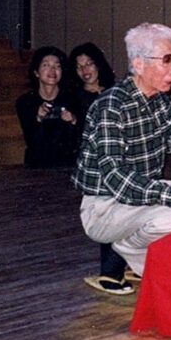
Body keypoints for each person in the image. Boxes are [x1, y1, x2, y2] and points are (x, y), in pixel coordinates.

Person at [71, 23, 171, 295]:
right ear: (138, 64)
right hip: (104, 207)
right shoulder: (112, 105)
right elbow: (116, 178)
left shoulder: (160, 100)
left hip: (142, 196)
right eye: (166, 60)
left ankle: (131, 248)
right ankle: (130, 249)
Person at [68, 42, 134, 293]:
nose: (85, 70)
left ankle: (124, 265)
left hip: (124, 159)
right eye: (79, 66)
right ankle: (111, 272)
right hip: (98, 167)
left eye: (89, 63)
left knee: (130, 212)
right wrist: (73, 122)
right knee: (114, 213)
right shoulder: (74, 97)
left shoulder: (115, 91)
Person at [15, 46, 81, 168]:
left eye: (57, 66)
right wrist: (38, 118)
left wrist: (73, 121)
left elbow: (77, 140)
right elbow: (31, 141)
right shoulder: (25, 102)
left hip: (67, 165)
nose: (52, 70)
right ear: (36, 72)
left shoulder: (74, 99)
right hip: (37, 166)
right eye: (46, 65)